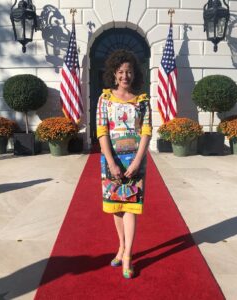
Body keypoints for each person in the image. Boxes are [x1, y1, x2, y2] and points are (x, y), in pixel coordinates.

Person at [96, 49, 152, 279]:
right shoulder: (104, 99)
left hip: (135, 161)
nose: (125, 76)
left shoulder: (142, 100)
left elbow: (147, 131)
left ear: (134, 74)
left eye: (129, 71)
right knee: (116, 208)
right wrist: (111, 162)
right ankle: (121, 246)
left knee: (130, 208)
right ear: (114, 73)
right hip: (111, 160)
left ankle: (128, 254)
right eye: (120, 71)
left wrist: (138, 161)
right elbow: (101, 131)